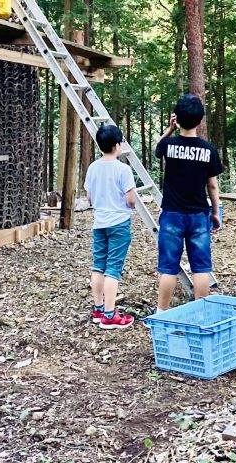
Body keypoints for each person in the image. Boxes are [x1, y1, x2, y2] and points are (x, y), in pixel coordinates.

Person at [155, 94, 223, 311]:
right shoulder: (209, 150)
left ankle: (162, 312)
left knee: (168, 268)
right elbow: (212, 186)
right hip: (198, 216)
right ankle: (201, 313)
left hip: (172, 214)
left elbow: (157, 146)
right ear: (200, 121)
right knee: (201, 268)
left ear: (177, 119)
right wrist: (216, 212)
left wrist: (169, 130)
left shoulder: (168, 145)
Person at [84, 125, 137, 330]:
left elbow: (89, 197)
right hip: (119, 224)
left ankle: (98, 310)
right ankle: (109, 315)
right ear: (117, 146)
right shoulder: (123, 169)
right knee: (113, 269)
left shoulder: (93, 167)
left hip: (99, 223)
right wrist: (127, 203)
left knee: (99, 265)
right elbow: (131, 200)